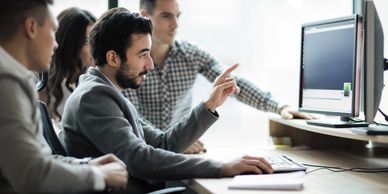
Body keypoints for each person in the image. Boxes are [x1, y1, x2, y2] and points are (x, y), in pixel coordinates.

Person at [62, 7, 273, 193]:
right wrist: (223, 168)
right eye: (143, 54)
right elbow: (139, 159)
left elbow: (164, 144)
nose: (151, 64)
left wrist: (209, 105)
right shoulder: (94, 97)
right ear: (113, 58)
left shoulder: (108, 91)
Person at [122, 0, 314, 154]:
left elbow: (232, 83)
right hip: (145, 154)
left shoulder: (191, 54)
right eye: (166, 16)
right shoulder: (130, 62)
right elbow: (133, 119)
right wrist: (176, 141)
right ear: (144, 16)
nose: (175, 24)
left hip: (180, 152)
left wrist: (279, 106)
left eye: (178, 16)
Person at [0, 1, 128, 193]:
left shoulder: (18, 79)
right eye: (52, 31)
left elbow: (41, 159)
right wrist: (98, 176)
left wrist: (87, 166)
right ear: (31, 28)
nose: (56, 43)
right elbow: (33, 174)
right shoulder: (7, 82)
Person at [39, 7, 96, 132]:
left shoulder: (93, 78)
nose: (95, 48)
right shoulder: (45, 82)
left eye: (95, 40)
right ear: (70, 45)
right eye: (87, 42)